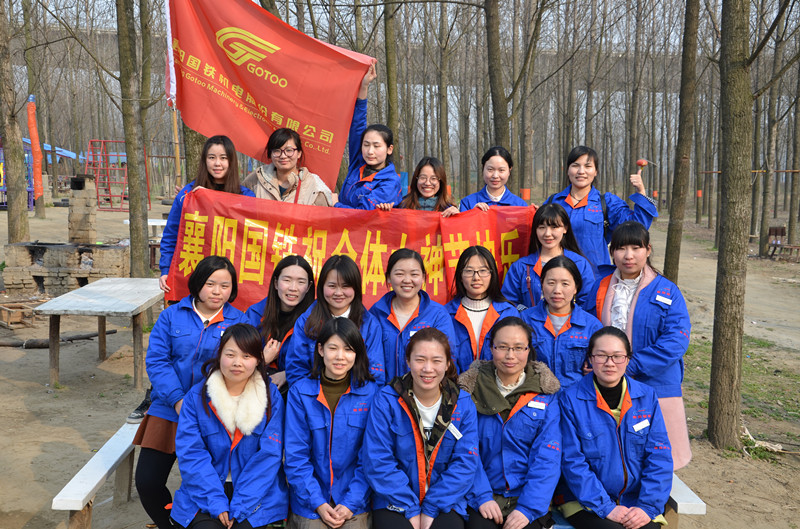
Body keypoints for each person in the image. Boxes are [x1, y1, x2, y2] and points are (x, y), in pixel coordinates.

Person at [133, 256, 245, 529]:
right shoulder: (172, 316)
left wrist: (203, 406)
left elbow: (239, 368)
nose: (217, 292)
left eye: (225, 286)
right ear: (198, 283)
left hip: (213, 415)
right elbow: (157, 361)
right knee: (148, 481)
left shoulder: (239, 322)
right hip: (168, 409)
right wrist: (178, 400)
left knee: (206, 479)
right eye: (210, 284)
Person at [584, 221, 691, 469]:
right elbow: (586, 327)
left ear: (648, 250)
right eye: (621, 248)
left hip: (656, 382)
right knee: (614, 453)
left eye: (636, 248)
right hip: (607, 380)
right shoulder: (600, 287)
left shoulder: (667, 290)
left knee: (658, 455)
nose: (628, 255)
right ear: (612, 252)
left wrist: (631, 365)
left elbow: (676, 339)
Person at [170, 323, 287, 529]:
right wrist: (216, 502)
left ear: (258, 360)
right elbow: (192, 455)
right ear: (219, 354)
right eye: (230, 354)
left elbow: (269, 456)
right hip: (206, 489)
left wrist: (241, 505)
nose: (237, 363)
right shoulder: (196, 397)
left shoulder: (271, 397)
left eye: (246, 356)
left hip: (257, 494)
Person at [363, 328, 479, 529]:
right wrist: (410, 508)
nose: (428, 368)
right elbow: (378, 460)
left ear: (447, 363)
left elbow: (465, 462)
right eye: (420, 360)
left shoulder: (462, 403)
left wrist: (431, 507)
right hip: (393, 499)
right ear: (408, 361)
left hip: (446, 500)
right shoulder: (387, 400)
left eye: (436, 360)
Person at [559, 326, 672, 529]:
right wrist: (606, 507)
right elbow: (572, 462)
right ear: (590, 359)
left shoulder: (647, 396)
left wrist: (647, 507)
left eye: (618, 356)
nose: (610, 363)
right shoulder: (570, 400)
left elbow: (659, 456)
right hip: (584, 501)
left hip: (636, 500)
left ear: (627, 359)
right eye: (601, 356)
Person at [458, 317, 561, 529]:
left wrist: (528, 508)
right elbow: (465, 450)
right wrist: (482, 496)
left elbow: (547, 457)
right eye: (502, 347)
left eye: (518, 348)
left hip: (527, 499)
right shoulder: (469, 392)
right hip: (482, 496)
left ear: (528, 350)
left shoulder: (545, 394)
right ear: (491, 348)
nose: (510, 355)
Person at [284, 318, 378, 529]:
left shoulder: (371, 393)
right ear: (320, 350)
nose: (340, 356)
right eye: (333, 348)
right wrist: (317, 502)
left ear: (357, 353)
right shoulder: (300, 393)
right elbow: (296, 456)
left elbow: (371, 457)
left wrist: (352, 502)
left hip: (355, 501)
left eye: (348, 349)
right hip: (309, 501)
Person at [159, 136, 255, 292]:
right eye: (212, 158)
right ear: (204, 161)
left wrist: (211, 199)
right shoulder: (187, 195)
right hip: (194, 273)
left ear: (231, 161)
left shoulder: (246, 197)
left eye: (223, 158)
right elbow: (171, 234)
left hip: (232, 276)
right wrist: (165, 269)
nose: (217, 163)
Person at [545, 146, 658, 275]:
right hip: (557, 276)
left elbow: (637, 226)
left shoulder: (606, 203)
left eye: (588, 166)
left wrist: (641, 192)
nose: (581, 171)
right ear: (567, 170)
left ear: (596, 171)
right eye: (575, 165)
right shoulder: (553, 202)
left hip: (595, 277)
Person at [285, 255, 385, 385]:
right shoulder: (306, 322)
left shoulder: (370, 325)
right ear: (322, 286)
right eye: (332, 286)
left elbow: (375, 375)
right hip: (312, 396)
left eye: (345, 286)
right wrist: (316, 396)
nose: (338, 293)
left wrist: (350, 396)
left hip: (357, 396)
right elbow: (296, 371)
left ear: (356, 288)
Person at [370, 249, 457, 380]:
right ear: (388, 277)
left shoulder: (438, 315)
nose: (407, 280)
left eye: (414, 274)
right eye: (399, 274)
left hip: (425, 389)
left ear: (423, 277)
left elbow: (448, 358)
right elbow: (369, 361)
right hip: (385, 391)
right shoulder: (376, 313)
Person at [521, 256, 603, 389]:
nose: (557, 290)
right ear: (542, 284)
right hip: (535, 394)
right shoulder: (525, 320)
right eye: (551, 283)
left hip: (576, 395)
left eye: (565, 284)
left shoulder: (592, 326)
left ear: (576, 288)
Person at [502, 203, 595, 309]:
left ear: (565, 228)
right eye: (542, 227)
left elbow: (588, 302)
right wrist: (526, 314)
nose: (547, 233)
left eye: (554, 227)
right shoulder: (521, 267)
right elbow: (509, 303)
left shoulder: (579, 264)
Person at [335, 61, 402, 210]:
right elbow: (357, 124)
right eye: (366, 145)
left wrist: (335, 204)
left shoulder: (390, 182)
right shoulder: (358, 163)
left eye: (376, 146)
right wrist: (364, 86)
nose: (370, 151)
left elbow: (363, 215)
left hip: (359, 225)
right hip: (339, 224)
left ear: (389, 149)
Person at [244, 255, 315, 392]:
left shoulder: (316, 320)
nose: (293, 288)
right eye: (287, 280)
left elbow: (324, 364)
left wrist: (288, 374)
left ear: (308, 287)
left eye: (301, 282)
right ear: (276, 283)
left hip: (297, 391)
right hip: (253, 389)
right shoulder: (254, 314)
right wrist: (262, 360)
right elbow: (237, 361)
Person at [445, 246, 519, 373]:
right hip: (456, 384)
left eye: (483, 271)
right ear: (460, 276)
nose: (476, 277)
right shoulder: (446, 314)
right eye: (469, 271)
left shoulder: (509, 313)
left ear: (492, 274)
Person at [243, 127, 333, 205]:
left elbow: (324, 217)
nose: (283, 156)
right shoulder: (256, 179)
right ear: (270, 154)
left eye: (289, 150)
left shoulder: (314, 185)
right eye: (277, 151)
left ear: (299, 153)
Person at [377, 157, 459, 216]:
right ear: (416, 179)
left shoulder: (448, 209)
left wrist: (458, 218)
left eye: (433, 178)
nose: (427, 183)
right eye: (423, 177)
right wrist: (385, 213)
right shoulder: (402, 206)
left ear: (441, 181)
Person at [459, 147, 527, 211]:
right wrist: (473, 213)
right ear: (483, 169)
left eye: (501, 170)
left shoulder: (520, 205)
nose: (495, 176)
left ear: (509, 170)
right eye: (490, 169)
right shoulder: (467, 203)